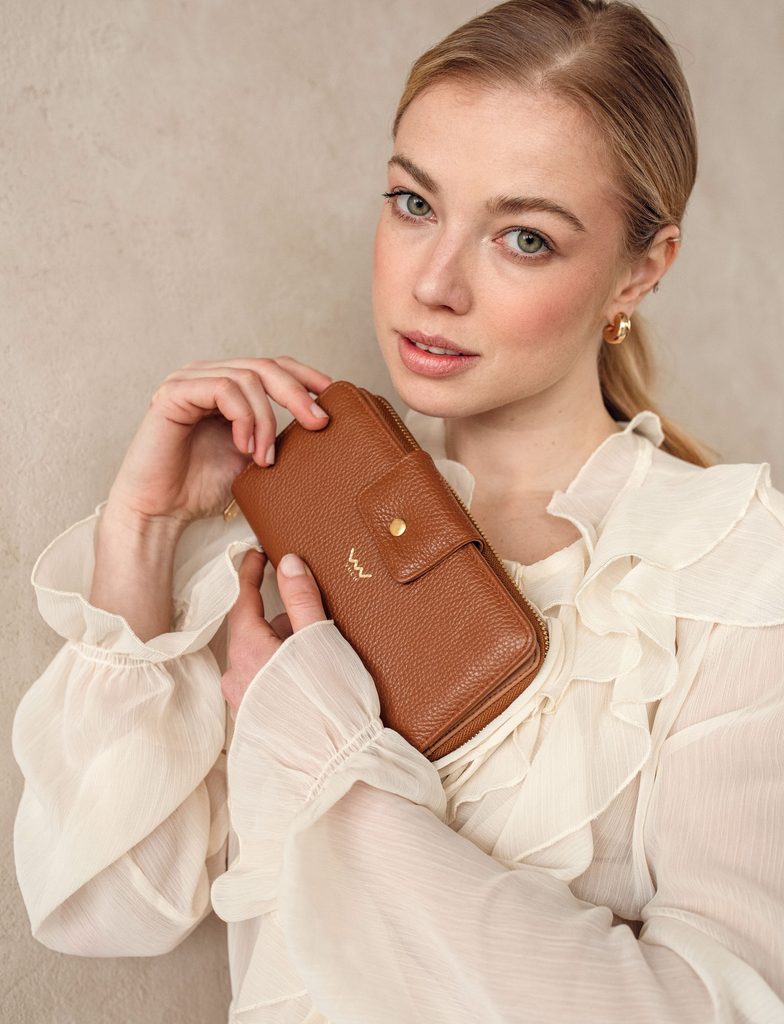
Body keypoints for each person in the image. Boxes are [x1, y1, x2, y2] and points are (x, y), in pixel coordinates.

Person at [13, 0, 784, 1020]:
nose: (432, 284)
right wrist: (143, 531)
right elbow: (107, 909)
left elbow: (714, 1006)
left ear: (640, 270)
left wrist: (333, 762)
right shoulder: (302, 513)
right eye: (414, 203)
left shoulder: (731, 572)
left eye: (523, 237)